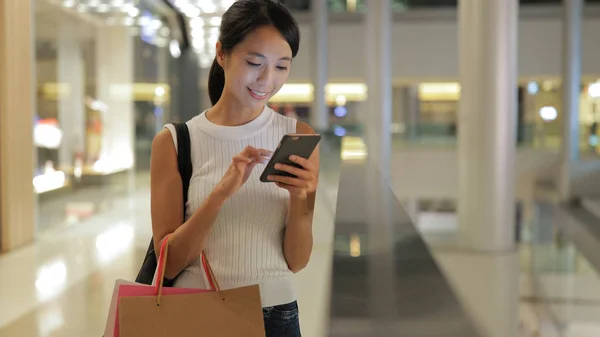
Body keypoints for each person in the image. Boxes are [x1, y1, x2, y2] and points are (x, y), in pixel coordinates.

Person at [149, 1, 318, 336]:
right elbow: (168, 262)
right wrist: (221, 193)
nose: (267, 81)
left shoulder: (298, 138)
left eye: (282, 67)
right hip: (196, 313)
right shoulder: (176, 142)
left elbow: (296, 261)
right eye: (254, 63)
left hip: (277, 317)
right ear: (222, 54)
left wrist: (302, 199)